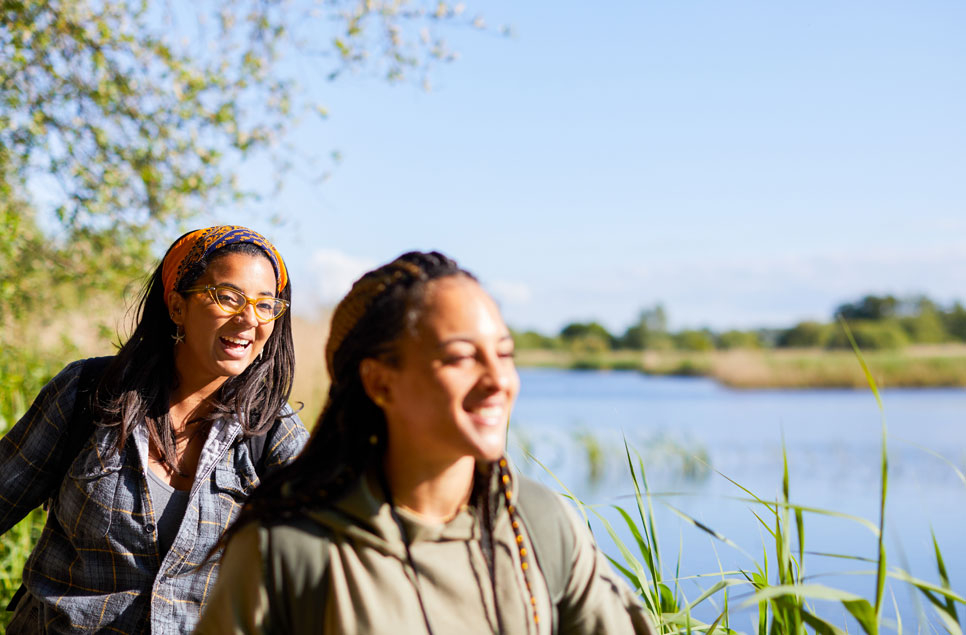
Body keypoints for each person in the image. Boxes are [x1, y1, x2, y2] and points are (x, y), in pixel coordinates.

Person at [196, 251, 656, 635]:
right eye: (460, 357)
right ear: (380, 383)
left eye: (504, 353)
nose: (498, 380)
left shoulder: (538, 523)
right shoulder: (290, 549)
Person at [0, 225, 309, 633]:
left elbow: (332, 549)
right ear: (177, 306)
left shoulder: (270, 428)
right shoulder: (89, 393)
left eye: (266, 305)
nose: (248, 319)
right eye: (228, 297)